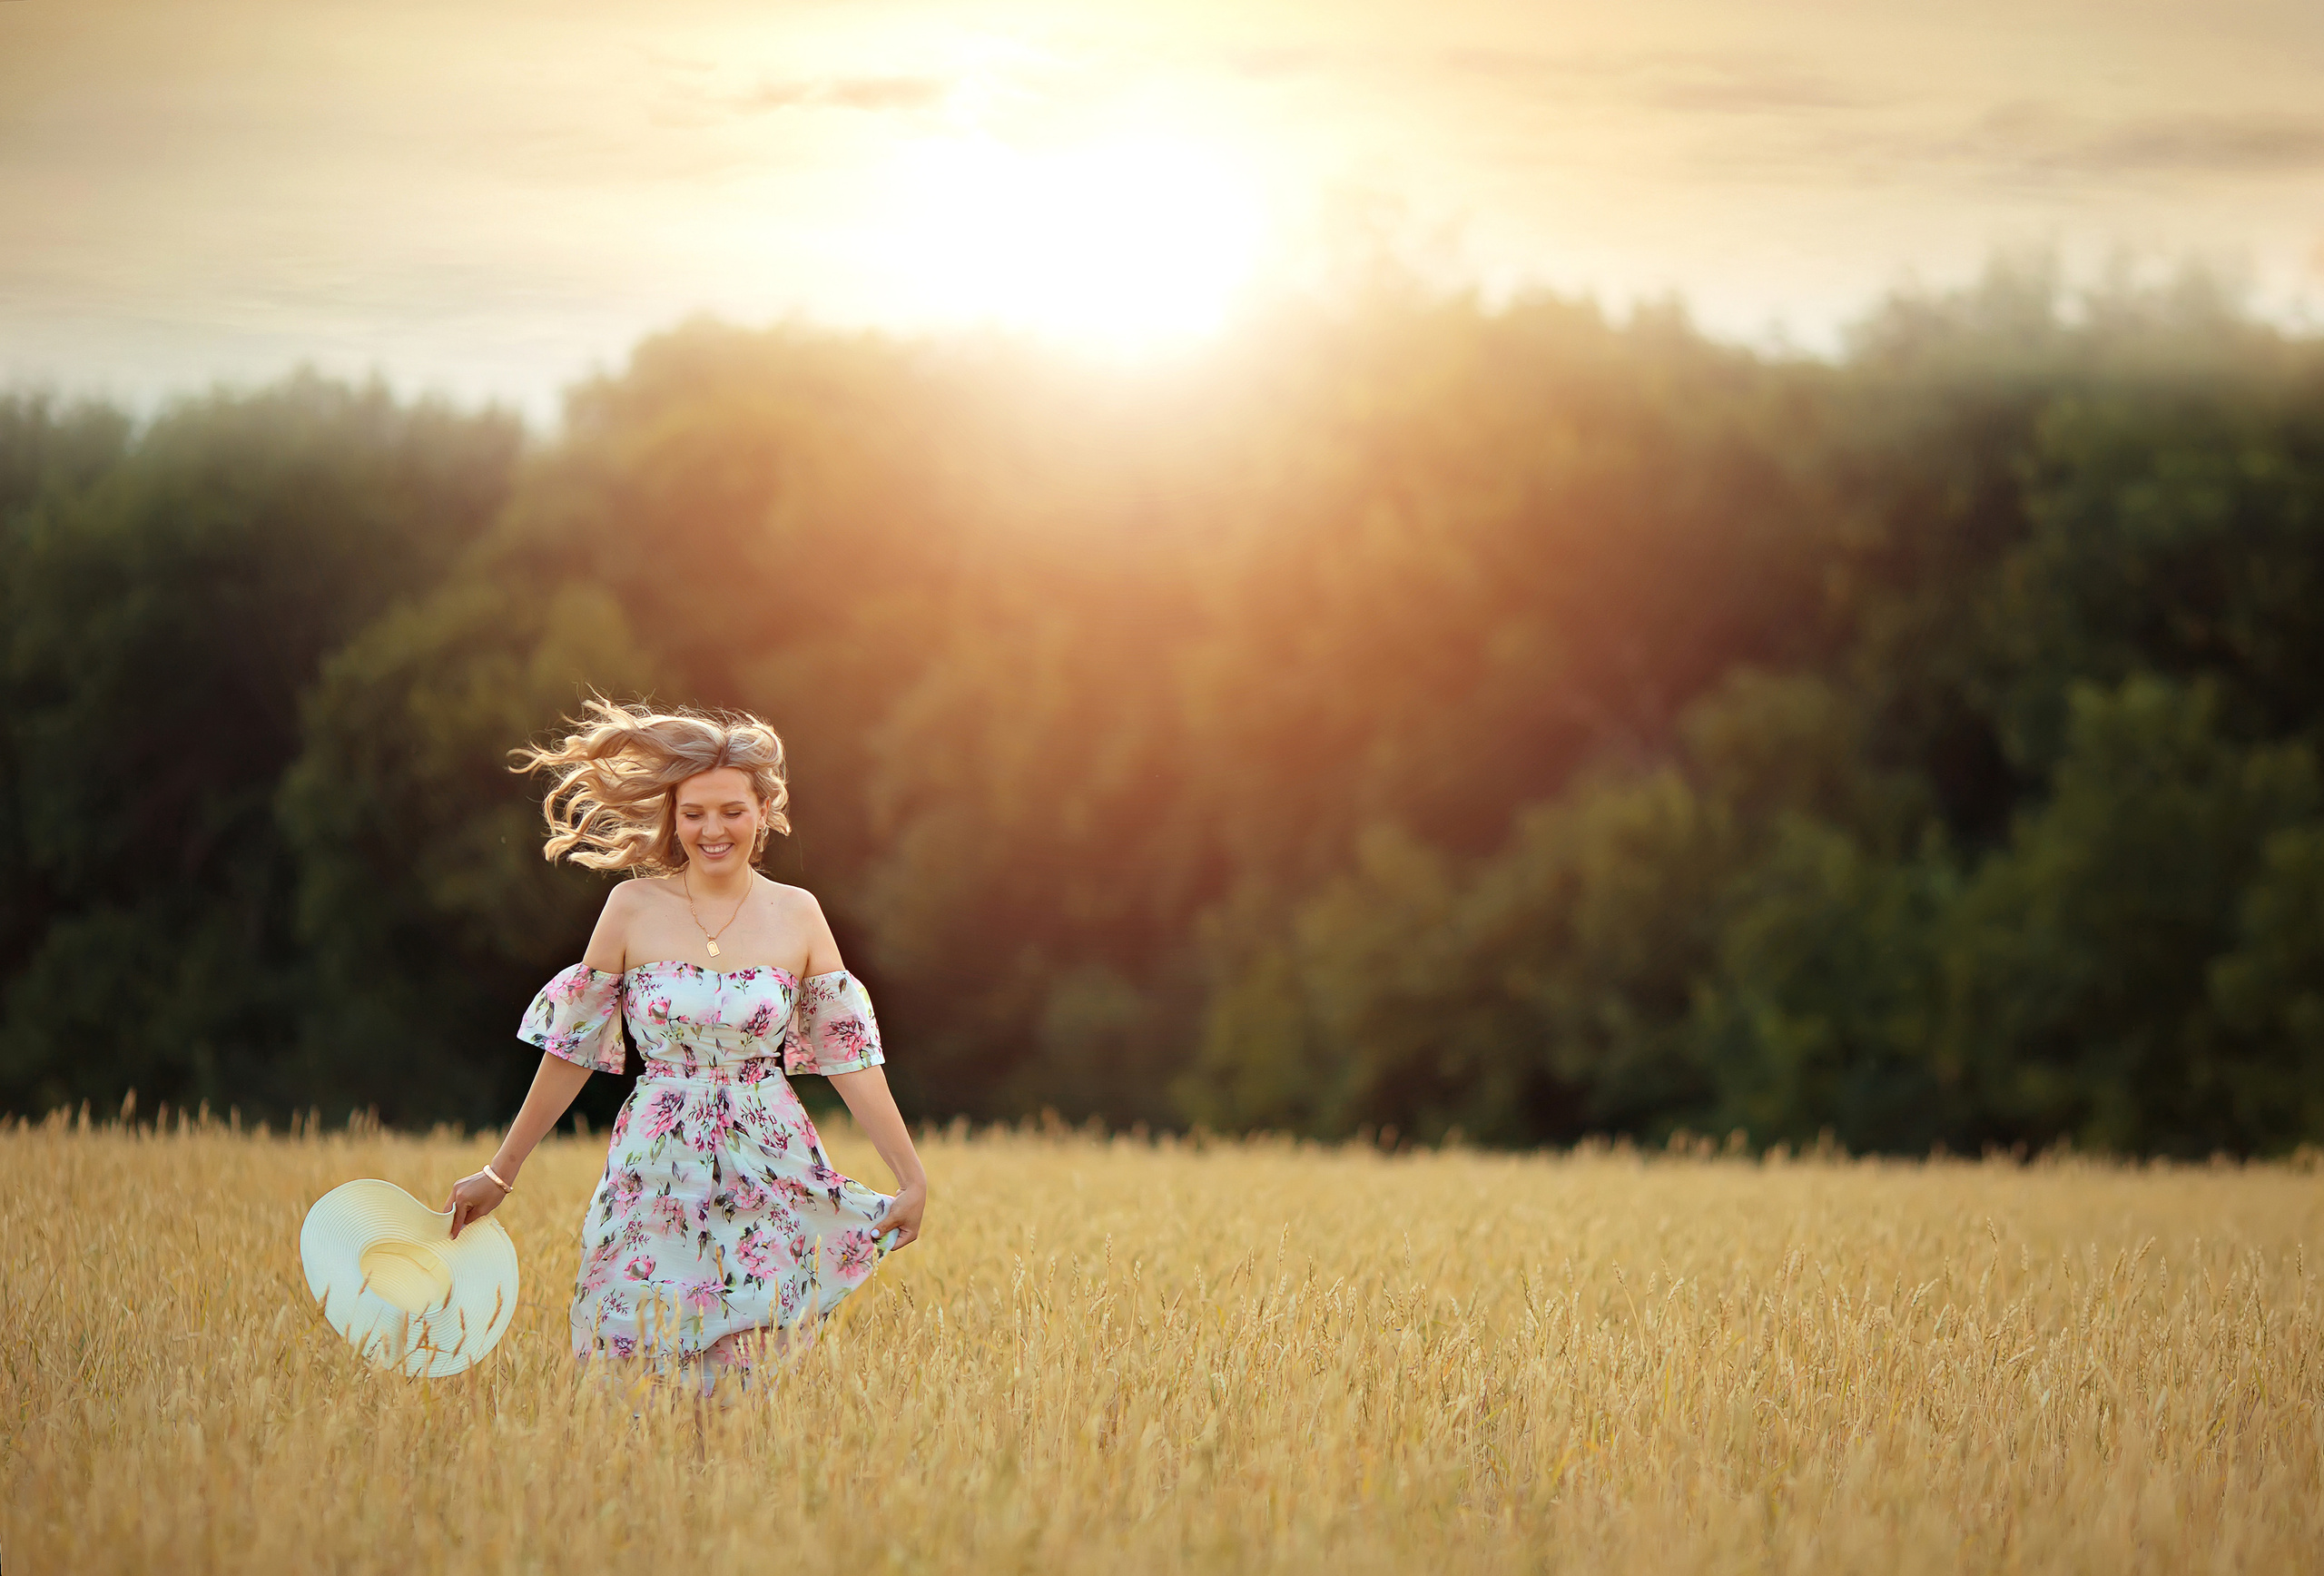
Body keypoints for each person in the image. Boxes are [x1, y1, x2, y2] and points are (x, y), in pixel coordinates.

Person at [440, 698, 929, 1395]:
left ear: (764, 811)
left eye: (732, 810)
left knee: (745, 1375)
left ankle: (727, 1497)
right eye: (694, 812)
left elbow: (849, 1056)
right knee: (628, 1357)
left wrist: (910, 1176)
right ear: (673, 817)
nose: (712, 829)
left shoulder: (799, 913)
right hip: (654, 1161)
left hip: (769, 1162)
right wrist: (500, 1172)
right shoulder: (631, 908)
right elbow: (570, 1054)